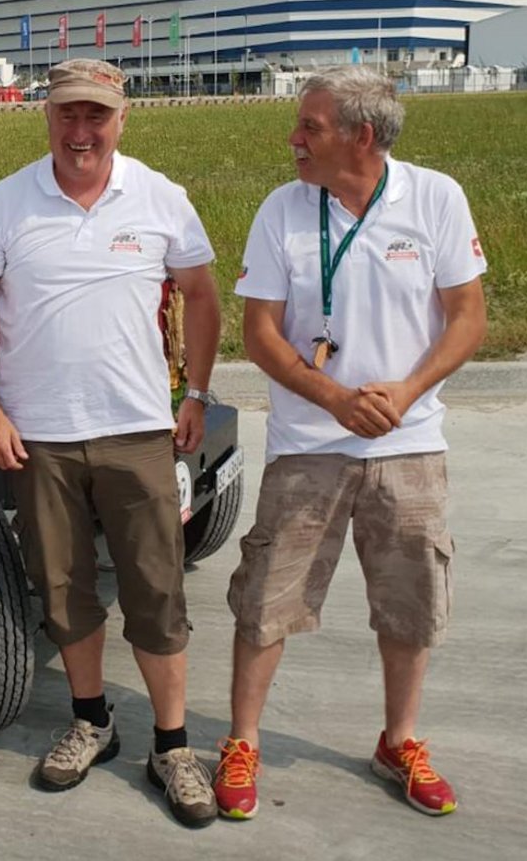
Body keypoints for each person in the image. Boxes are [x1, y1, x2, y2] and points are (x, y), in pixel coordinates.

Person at [0, 59, 222, 828]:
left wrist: (196, 391)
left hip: (137, 427)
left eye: (96, 116)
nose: (81, 131)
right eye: (68, 114)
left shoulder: (159, 196)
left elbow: (201, 294)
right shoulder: (6, 204)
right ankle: (92, 720)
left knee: (156, 589)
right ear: (47, 117)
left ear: (121, 120)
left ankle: (171, 745)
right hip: (39, 436)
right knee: (63, 586)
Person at [213, 67, 487, 821]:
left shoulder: (435, 198)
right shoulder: (283, 210)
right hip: (308, 444)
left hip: (409, 442)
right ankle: (242, 741)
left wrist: (404, 392)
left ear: (361, 137)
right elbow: (260, 334)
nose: (293, 139)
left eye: (311, 127)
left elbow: (467, 318)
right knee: (268, 596)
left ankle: (399, 740)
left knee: (410, 600)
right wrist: (334, 397)